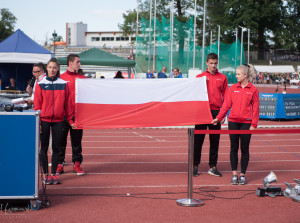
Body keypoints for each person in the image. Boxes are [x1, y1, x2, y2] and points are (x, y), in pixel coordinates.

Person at [212, 64, 259, 185]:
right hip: (233, 122)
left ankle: (242, 174)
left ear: (245, 75)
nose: (236, 76)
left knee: (244, 149)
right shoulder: (232, 88)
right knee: (233, 148)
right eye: (236, 74)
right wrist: (218, 118)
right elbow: (226, 105)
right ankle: (234, 174)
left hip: (246, 123)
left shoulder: (253, 90)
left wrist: (254, 124)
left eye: (238, 74)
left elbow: (256, 109)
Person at [34, 58, 74, 185]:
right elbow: (37, 105)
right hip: (44, 120)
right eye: (50, 67)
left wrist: (70, 119)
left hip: (58, 120)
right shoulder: (40, 83)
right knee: (43, 148)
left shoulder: (64, 83)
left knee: (57, 148)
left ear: (58, 69)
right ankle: (45, 174)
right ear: (47, 68)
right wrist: (38, 121)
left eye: (55, 67)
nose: (52, 70)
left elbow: (68, 104)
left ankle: (53, 174)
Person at [193, 53, 228, 177]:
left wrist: (223, 114)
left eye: (215, 63)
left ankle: (213, 166)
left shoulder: (222, 78)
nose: (213, 66)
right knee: (198, 140)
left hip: (216, 112)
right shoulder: (200, 77)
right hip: (202, 111)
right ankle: (195, 165)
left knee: (215, 141)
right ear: (206, 63)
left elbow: (226, 97)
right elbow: (194, 95)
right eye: (211, 63)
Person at [57, 54, 86, 175]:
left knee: (76, 141)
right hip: (62, 115)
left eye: (79, 62)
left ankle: (77, 164)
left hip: (77, 115)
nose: (79, 64)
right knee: (60, 141)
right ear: (70, 63)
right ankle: (59, 163)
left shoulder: (83, 79)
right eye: (77, 62)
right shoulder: (60, 78)